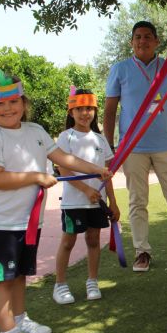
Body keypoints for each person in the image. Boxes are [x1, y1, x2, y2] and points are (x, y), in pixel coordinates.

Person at [0, 71, 112, 333]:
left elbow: (65, 158)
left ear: (24, 103)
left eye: (14, 101)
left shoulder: (36, 132)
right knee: (2, 280)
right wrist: (37, 177)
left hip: (28, 223)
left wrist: (98, 169)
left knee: (20, 274)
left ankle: (20, 321)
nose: (8, 108)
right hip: (0, 223)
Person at [104, 20, 167, 271]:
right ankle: (142, 252)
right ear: (131, 42)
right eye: (137, 37)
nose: (142, 41)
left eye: (148, 36)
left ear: (156, 42)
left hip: (165, 146)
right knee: (137, 202)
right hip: (132, 149)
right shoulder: (120, 69)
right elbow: (109, 109)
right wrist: (108, 146)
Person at [52, 88, 120, 305]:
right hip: (74, 203)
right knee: (68, 242)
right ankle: (60, 284)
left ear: (95, 110)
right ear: (71, 112)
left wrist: (113, 202)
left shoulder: (101, 139)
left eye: (89, 108)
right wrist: (86, 190)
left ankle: (92, 281)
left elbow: (106, 175)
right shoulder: (65, 137)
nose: (85, 113)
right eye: (79, 108)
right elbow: (64, 170)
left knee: (93, 240)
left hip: (96, 204)